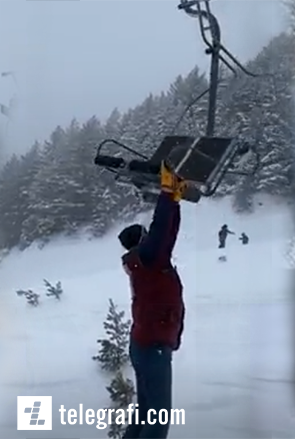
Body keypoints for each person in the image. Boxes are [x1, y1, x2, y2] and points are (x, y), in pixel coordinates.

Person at [118, 161, 185, 439]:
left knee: (145, 412)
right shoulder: (149, 258)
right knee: (158, 420)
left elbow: (168, 234)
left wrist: (175, 202)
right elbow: (161, 230)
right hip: (153, 348)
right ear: (142, 240)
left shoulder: (147, 261)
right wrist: (167, 194)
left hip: (144, 345)